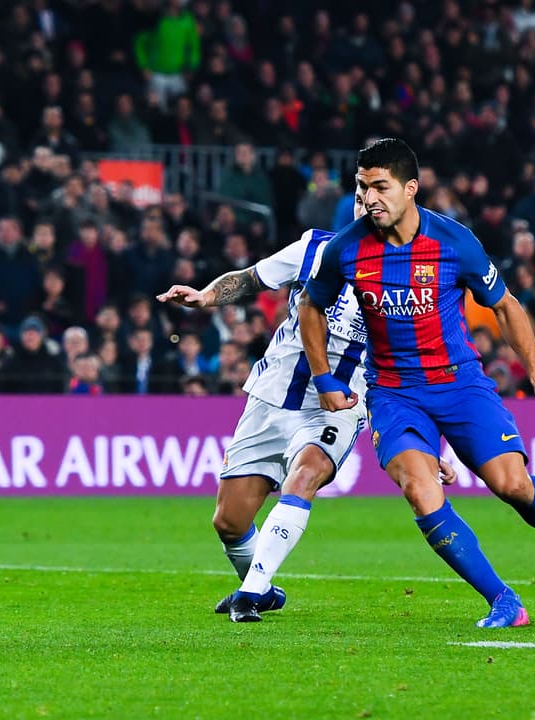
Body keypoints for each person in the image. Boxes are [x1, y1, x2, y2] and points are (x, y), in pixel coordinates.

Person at [299, 138, 535, 628]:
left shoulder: (453, 242)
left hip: (460, 384)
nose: (369, 198)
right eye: (361, 187)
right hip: (394, 393)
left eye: (379, 187)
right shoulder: (345, 248)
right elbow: (311, 306)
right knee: (420, 490)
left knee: (512, 484)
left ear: (410, 189)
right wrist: (323, 377)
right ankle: (504, 601)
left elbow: (504, 305)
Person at [157, 187, 389, 622]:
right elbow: (250, 279)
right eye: (358, 198)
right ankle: (261, 588)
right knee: (229, 521)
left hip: (336, 402)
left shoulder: (404, 275)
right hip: (271, 395)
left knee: (305, 474)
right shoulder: (314, 247)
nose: (365, 206)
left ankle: (250, 593)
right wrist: (206, 296)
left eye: (374, 196)